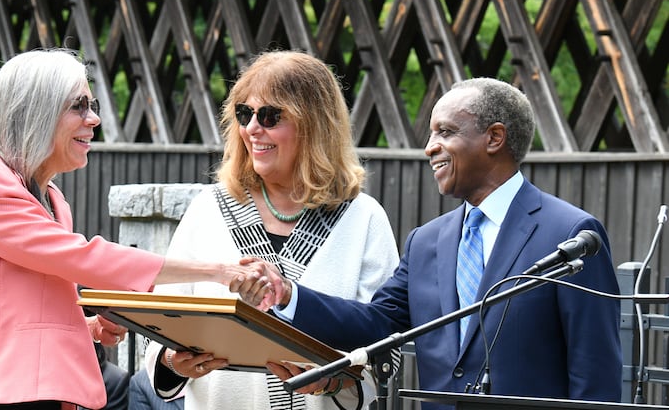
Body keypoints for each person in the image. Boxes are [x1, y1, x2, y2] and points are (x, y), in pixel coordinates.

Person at [0, 48, 281, 410]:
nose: (94, 120)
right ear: (37, 111)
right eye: (78, 106)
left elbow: (18, 304)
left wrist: (85, 328)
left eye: (93, 106)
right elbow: (82, 256)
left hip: (16, 389)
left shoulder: (49, 195)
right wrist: (219, 271)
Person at [234, 78, 622, 408]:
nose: (429, 146)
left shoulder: (571, 235)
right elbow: (376, 324)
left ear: (495, 138)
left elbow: (595, 373)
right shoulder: (426, 242)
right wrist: (288, 295)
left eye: (446, 132)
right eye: (431, 133)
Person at [127, 50, 401, 410]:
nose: (253, 128)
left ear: (314, 125)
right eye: (244, 114)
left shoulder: (363, 218)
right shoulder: (208, 209)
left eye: (270, 116)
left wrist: (330, 380)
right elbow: (163, 322)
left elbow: (384, 349)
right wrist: (171, 362)